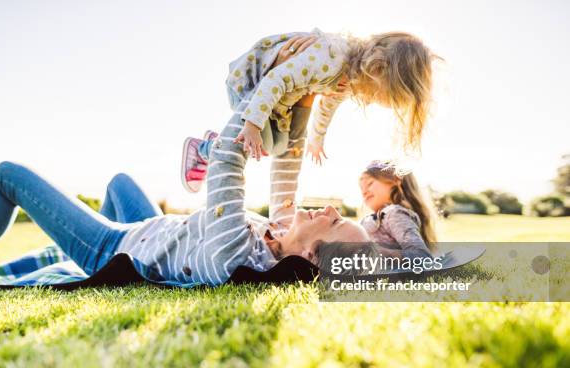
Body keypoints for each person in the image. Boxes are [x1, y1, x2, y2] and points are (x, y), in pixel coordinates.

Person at [0, 95, 368, 288]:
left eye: (335, 221)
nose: (330, 209)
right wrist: (305, 98)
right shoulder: (280, 232)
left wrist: (258, 101)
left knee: (6, 175)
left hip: (110, 246)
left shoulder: (235, 254)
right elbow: (289, 160)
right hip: (151, 229)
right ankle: (104, 256)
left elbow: (225, 168)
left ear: (313, 255)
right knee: (120, 182)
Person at [181, 29, 438, 229]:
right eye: (383, 96)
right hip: (253, 79)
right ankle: (204, 148)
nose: (374, 101)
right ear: (379, 68)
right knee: (262, 144)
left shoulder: (348, 76)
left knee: (279, 146)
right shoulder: (332, 58)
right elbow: (277, 78)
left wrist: (317, 138)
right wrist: (251, 124)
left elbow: (328, 104)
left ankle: (214, 144)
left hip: (282, 97)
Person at [358, 160, 437, 259]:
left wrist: (378, 252)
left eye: (369, 184)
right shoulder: (373, 219)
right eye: (361, 188)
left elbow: (422, 256)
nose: (364, 192)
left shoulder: (393, 214)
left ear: (395, 179)